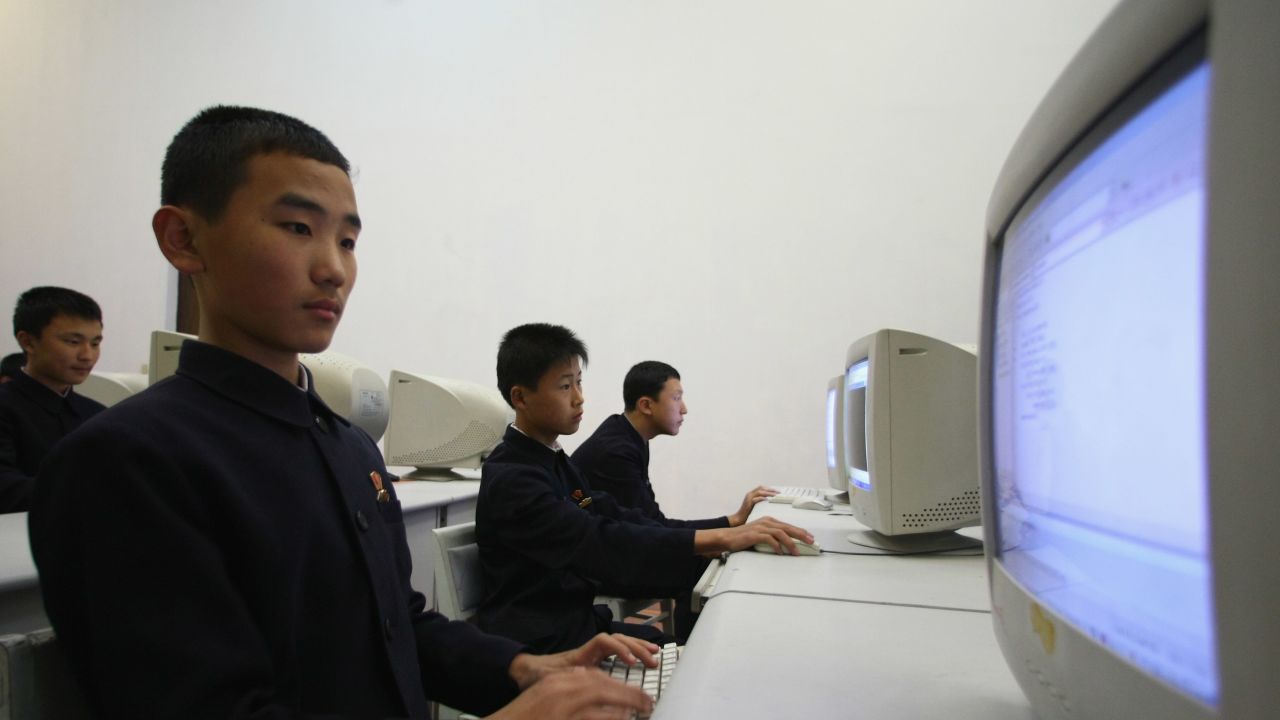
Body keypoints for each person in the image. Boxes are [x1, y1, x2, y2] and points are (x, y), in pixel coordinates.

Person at [29, 106, 657, 720]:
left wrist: (523, 669)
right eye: (298, 228)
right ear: (184, 238)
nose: (333, 268)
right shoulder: (125, 462)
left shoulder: (349, 446)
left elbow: (395, 625)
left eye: (348, 240)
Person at [476, 323, 813, 654]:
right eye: (566, 387)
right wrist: (719, 537)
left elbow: (609, 513)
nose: (580, 398)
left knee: (685, 651)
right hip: (543, 646)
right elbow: (596, 538)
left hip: (573, 625)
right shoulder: (514, 477)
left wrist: (723, 530)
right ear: (520, 397)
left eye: (579, 383)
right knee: (689, 655)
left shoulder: (552, 460)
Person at [571, 360, 776, 641]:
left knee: (709, 561)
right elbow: (649, 529)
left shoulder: (629, 437)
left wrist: (731, 524)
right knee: (699, 573)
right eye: (677, 398)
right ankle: (686, 654)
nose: (685, 408)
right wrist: (724, 533)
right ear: (646, 405)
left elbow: (650, 522)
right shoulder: (616, 451)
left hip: (618, 547)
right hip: (601, 564)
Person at [0, 287, 105, 513]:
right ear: (28, 342)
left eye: (95, 343)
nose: (87, 355)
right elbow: (5, 488)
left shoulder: (98, 415)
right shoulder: (6, 406)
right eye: (73, 341)